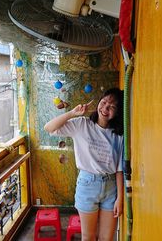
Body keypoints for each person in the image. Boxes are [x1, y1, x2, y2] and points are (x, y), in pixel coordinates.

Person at [44, 87, 124, 241]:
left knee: (106, 238)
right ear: (99, 101)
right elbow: (49, 127)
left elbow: (119, 168)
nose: (106, 108)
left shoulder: (118, 134)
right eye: (104, 101)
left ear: (117, 112)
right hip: (88, 185)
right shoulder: (82, 124)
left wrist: (120, 197)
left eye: (112, 106)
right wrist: (72, 113)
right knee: (88, 237)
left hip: (111, 187)